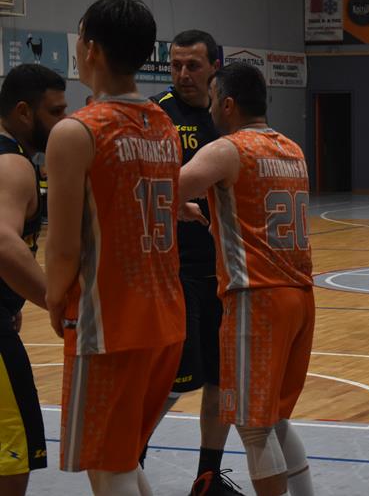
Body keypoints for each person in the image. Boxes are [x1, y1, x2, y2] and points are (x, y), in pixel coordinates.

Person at [45, 0, 185, 496]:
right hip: (166, 318)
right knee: (121, 459)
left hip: (109, 323)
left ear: (92, 48)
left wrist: (54, 299)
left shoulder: (77, 131)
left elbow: (63, 247)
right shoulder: (164, 125)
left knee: (109, 467)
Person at [178, 62, 315, 496]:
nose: (210, 108)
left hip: (257, 298)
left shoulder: (228, 149)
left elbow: (170, 187)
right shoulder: (292, 149)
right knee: (275, 419)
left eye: (213, 99)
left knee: (254, 428)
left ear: (228, 104)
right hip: (300, 295)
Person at [144, 30, 241, 495]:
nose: (183, 74)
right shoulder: (155, 114)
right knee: (175, 378)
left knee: (222, 380)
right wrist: (170, 201)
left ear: (214, 67)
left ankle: (207, 478)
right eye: (176, 65)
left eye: (193, 65)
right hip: (171, 270)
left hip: (223, 270)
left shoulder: (227, 115)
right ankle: (129, 454)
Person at [0, 64, 67, 496]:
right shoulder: (12, 164)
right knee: (14, 452)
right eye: (55, 112)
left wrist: (11, 298)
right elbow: (3, 243)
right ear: (24, 112)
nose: (64, 121)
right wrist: (56, 301)